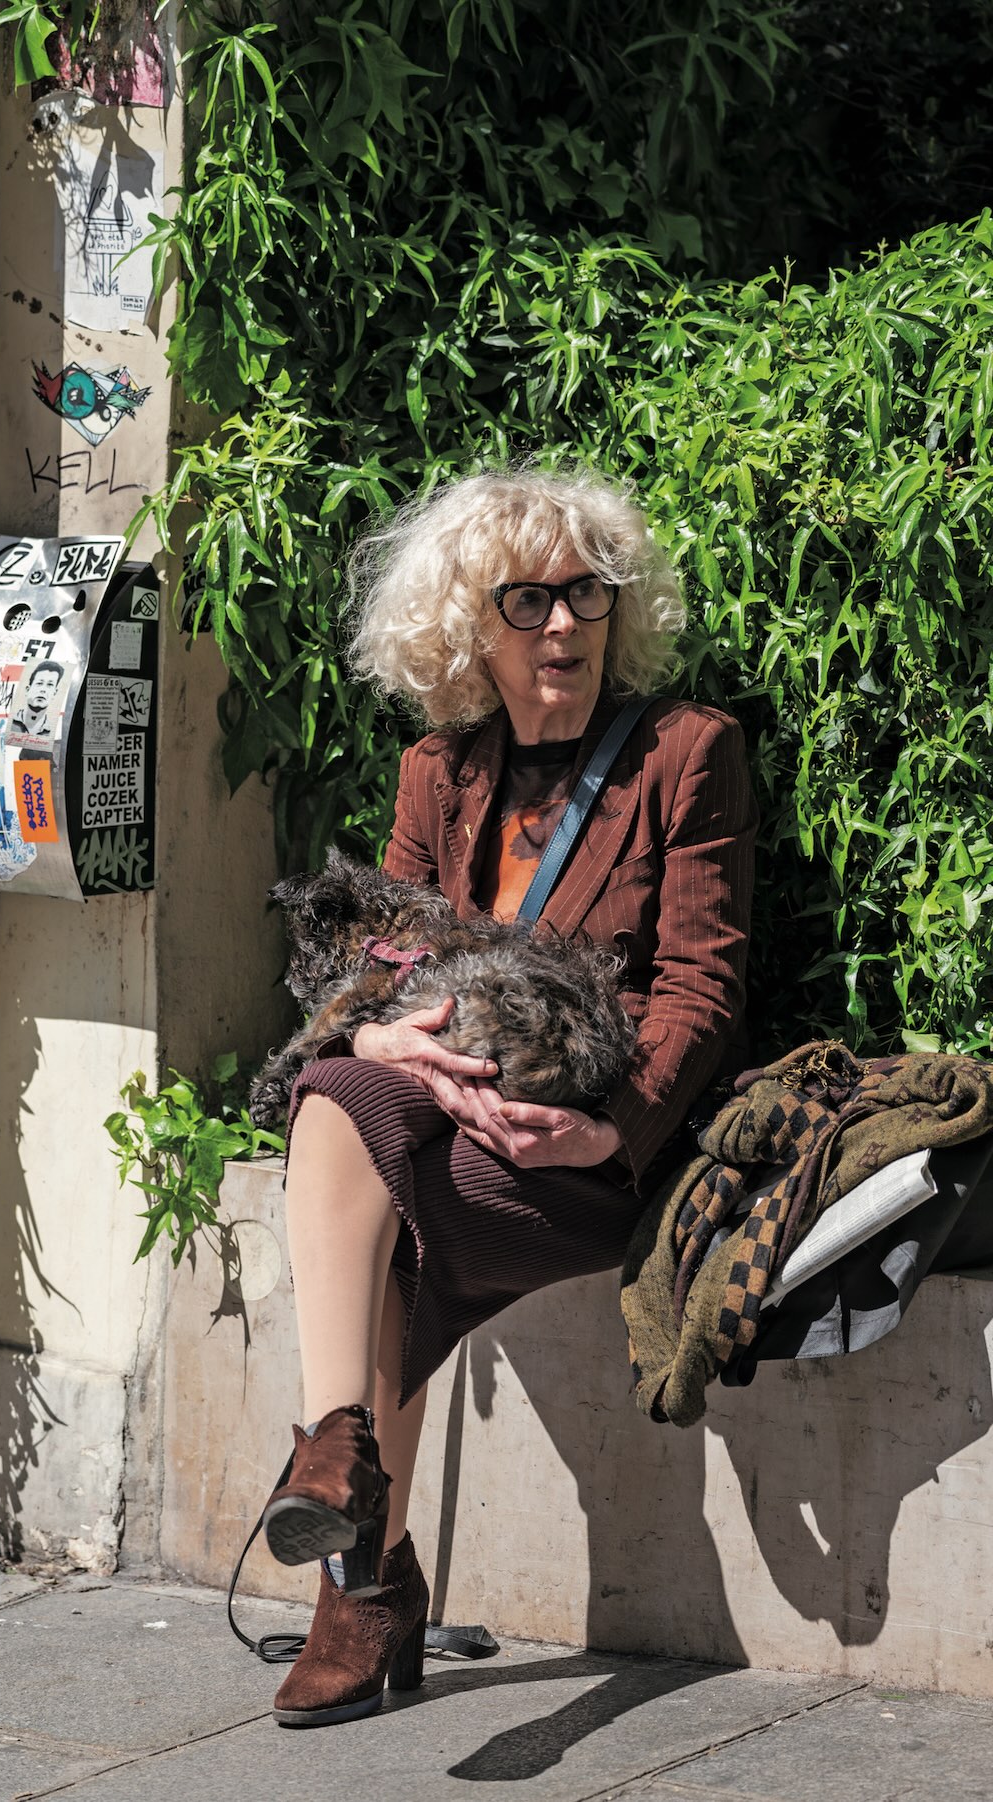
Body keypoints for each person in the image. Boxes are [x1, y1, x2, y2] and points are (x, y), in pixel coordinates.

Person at [260, 467, 757, 1728]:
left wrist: (605, 1127)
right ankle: (345, 1472)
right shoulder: (439, 771)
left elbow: (699, 987)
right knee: (342, 1084)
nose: (562, 624)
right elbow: (380, 955)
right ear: (469, 627)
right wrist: (389, 1030)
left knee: (380, 1200)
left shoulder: (685, 754)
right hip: (446, 1119)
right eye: (526, 600)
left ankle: (362, 1579)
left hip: (586, 1152)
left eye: (586, 593)